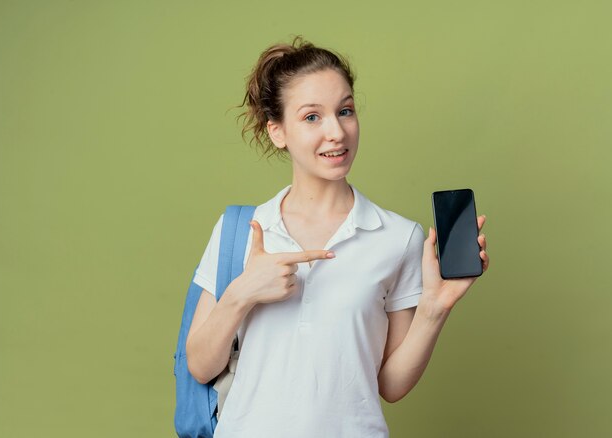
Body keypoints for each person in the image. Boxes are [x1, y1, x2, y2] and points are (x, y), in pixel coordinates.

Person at [185, 37, 489, 437]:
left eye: (345, 111)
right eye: (312, 117)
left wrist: (435, 308)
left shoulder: (398, 238)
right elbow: (201, 366)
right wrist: (244, 292)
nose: (337, 132)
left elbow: (390, 386)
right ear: (277, 132)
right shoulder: (240, 230)